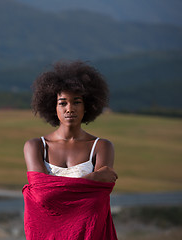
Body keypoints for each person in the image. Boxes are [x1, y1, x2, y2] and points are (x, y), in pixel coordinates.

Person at [22, 60, 118, 240]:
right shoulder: (35, 146)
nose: (69, 109)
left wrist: (58, 193)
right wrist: (93, 178)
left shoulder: (101, 147)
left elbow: (97, 202)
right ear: (53, 106)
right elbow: (42, 197)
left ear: (87, 105)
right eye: (62, 102)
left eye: (76, 102)